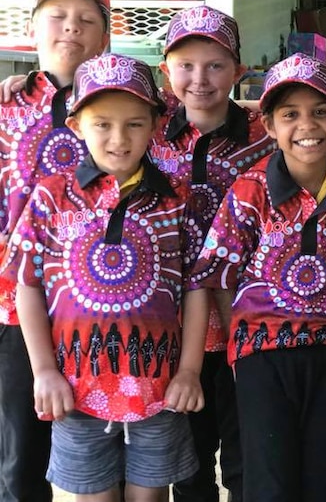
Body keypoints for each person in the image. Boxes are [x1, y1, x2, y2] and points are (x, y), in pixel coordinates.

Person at [0, 53, 205, 501]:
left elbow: (194, 289)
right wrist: (44, 373)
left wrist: (189, 370)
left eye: (135, 123)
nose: (119, 138)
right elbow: (27, 287)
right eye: (103, 124)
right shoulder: (51, 197)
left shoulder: (177, 201)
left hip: (160, 387)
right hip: (76, 390)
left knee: (150, 496)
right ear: (76, 126)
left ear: (155, 125)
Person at [188, 53, 326, 502]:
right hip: (261, 357)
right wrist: (242, 343)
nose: (306, 125)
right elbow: (222, 274)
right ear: (268, 126)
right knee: (269, 480)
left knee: (323, 477)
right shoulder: (250, 191)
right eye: (290, 115)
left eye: (320, 112)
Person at [151, 4, 275, 502]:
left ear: (239, 71)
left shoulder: (267, 139)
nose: (199, 79)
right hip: (174, 331)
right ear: (166, 71)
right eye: (185, 65)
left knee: (247, 460)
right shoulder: (148, 133)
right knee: (188, 464)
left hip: (248, 325)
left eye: (215, 64)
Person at [0, 0, 110, 502]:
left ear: (104, 37)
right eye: (59, 17)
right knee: (21, 452)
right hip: (16, 304)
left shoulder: (124, 106)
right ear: (34, 28)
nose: (72, 28)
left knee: (103, 447)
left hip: (102, 304)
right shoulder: (7, 105)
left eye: (87, 20)